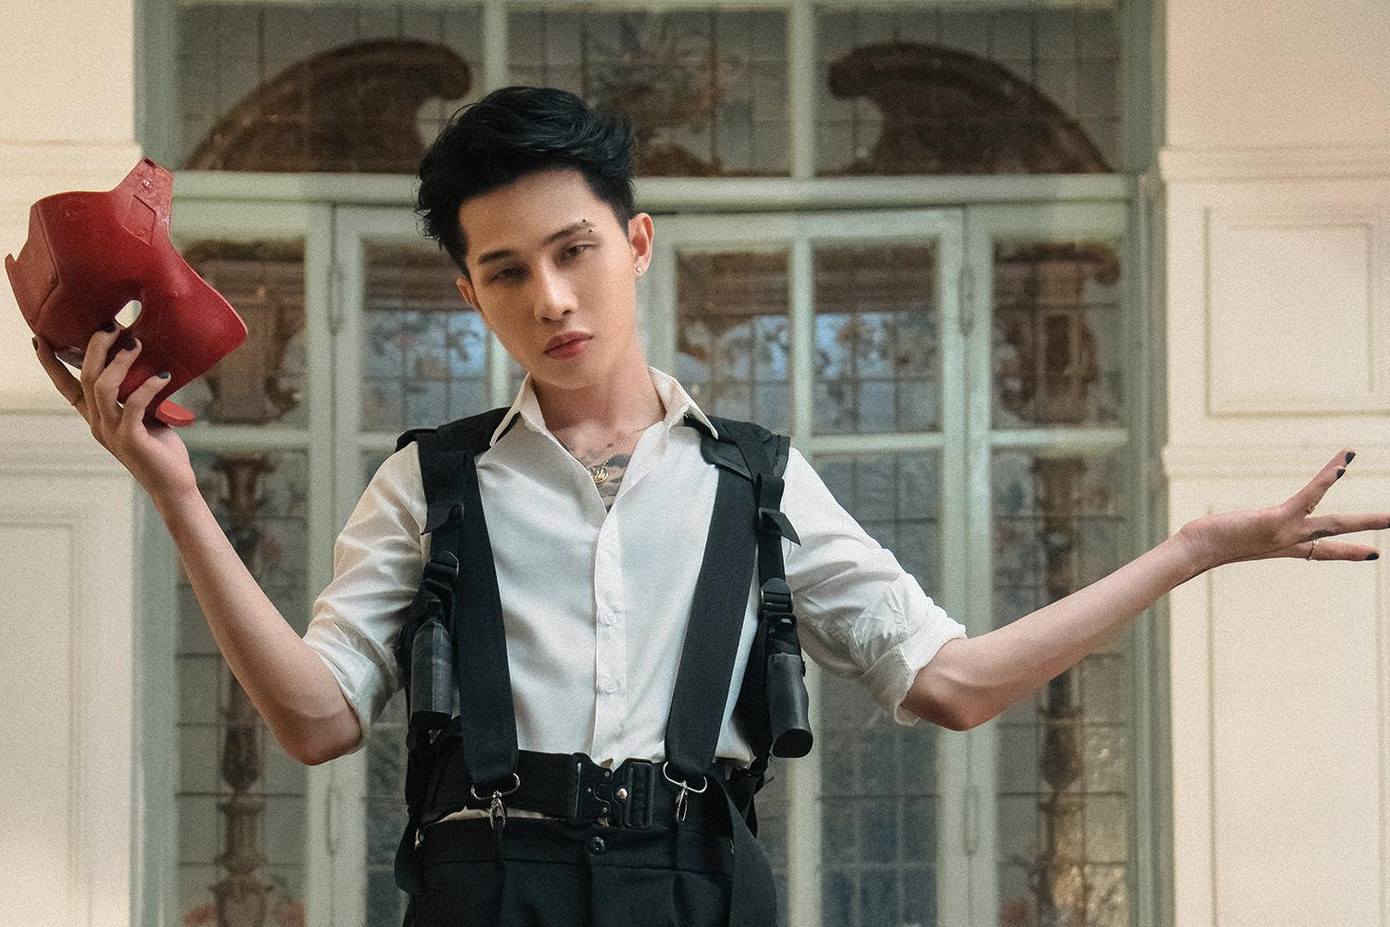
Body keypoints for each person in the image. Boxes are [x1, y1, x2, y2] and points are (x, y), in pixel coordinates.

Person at [30, 85, 1388, 926]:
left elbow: (953, 682)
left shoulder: (757, 479)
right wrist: (176, 497)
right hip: (483, 886)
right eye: (506, 271)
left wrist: (1190, 551)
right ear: (470, 292)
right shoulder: (428, 481)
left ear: (634, 244)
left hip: (697, 885)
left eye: (574, 251)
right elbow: (317, 722)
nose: (551, 297)